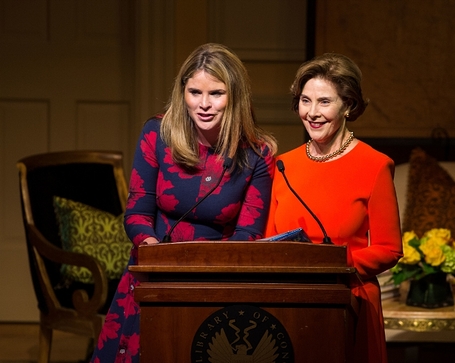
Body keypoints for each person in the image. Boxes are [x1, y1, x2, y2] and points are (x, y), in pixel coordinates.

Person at [90, 43, 277, 362]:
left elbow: (249, 235)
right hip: (153, 270)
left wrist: (204, 270)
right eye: (194, 92)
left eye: (216, 94)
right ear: (183, 92)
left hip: (217, 278)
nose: (204, 104)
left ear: (235, 96)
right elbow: (136, 214)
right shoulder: (157, 133)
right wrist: (155, 255)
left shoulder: (257, 154)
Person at [265, 53, 403, 363]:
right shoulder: (284, 165)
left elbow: (389, 248)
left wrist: (333, 265)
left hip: (348, 301)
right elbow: (268, 242)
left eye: (324, 102)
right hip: (287, 303)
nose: (312, 113)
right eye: (305, 101)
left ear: (348, 105)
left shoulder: (375, 166)